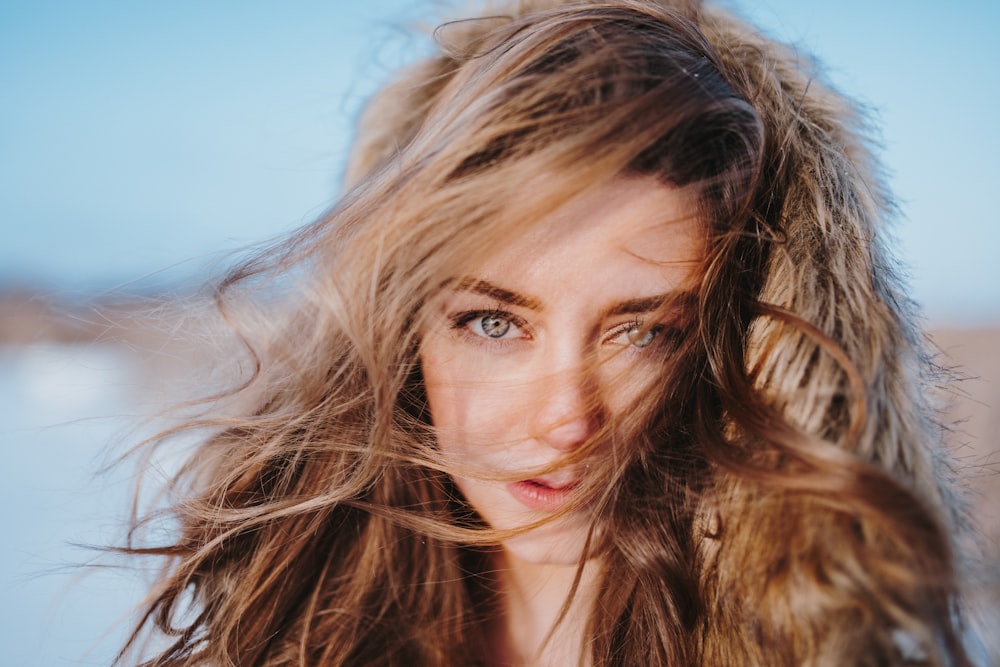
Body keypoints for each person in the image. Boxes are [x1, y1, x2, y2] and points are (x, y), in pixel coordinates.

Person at [117, 0, 979, 664]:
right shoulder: (287, 636)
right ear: (401, 327)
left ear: (732, 346)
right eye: (494, 322)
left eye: (641, 332)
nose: (567, 418)